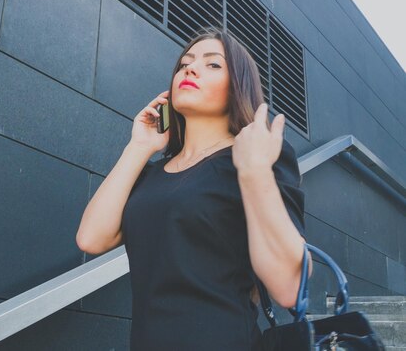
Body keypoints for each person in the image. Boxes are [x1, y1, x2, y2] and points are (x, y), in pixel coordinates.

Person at [75, 26, 313, 350]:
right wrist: (140, 146)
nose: (190, 68)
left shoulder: (257, 154)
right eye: (185, 62)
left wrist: (255, 171)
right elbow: (91, 237)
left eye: (213, 64)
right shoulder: (151, 175)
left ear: (237, 86)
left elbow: (289, 285)